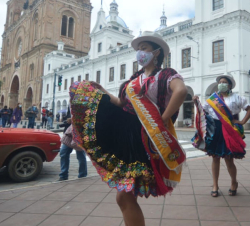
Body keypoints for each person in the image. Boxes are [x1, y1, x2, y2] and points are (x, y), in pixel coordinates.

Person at [70, 31, 187, 226]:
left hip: (144, 138)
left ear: (156, 52)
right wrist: (101, 90)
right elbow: (119, 102)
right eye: (138, 50)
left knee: (124, 197)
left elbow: (181, 91)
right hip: (127, 137)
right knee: (124, 197)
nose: (140, 53)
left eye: (144, 48)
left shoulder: (166, 74)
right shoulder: (133, 80)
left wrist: (162, 121)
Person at [193, 74, 250, 197]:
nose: (222, 83)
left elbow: (249, 109)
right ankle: (215, 185)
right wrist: (195, 102)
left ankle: (233, 182)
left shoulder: (237, 98)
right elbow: (202, 111)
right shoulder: (213, 99)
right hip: (216, 130)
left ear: (229, 85)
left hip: (230, 129)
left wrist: (242, 122)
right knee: (215, 158)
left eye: (224, 82)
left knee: (229, 159)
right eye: (220, 82)